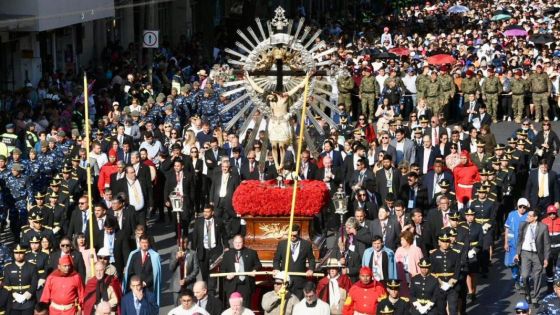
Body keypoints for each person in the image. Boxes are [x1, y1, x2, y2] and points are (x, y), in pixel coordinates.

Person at [515, 208, 551, 306]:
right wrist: (517, 253)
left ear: (535, 217)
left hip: (537, 254)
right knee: (525, 275)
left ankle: (535, 296)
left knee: (537, 276)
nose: (527, 217)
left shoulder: (543, 227)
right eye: (528, 215)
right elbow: (519, 240)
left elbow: (547, 244)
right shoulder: (523, 225)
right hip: (525, 253)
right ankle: (527, 292)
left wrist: (546, 258)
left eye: (530, 216)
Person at [273, 224, 316, 299]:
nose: (292, 237)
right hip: (285, 280)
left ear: (299, 234)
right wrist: (276, 268)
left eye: (294, 235)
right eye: (290, 235)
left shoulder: (306, 244)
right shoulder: (282, 244)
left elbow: (311, 259)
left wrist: (311, 269)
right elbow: (276, 259)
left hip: (299, 281)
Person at [222, 235, 262, 307]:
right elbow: (222, 269)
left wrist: (254, 270)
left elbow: (258, 264)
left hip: (246, 284)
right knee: (232, 307)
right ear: (233, 243)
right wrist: (226, 276)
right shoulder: (227, 254)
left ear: (243, 242)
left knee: (245, 307)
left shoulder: (251, 253)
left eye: (240, 242)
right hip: (232, 284)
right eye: (236, 242)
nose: (237, 244)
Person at [123, 234, 162, 305]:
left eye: (146, 243)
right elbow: (130, 271)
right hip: (135, 288)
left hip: (148, 288)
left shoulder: (155, 256)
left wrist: (145, 282)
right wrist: (135, 282)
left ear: (149, 243)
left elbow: (155, 273)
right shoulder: (134, 255)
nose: (144, 245)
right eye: (142, 243)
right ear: (139, 243)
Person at [4, 244, 38, 314]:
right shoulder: (8, 268)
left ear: (24, 253)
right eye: (16, 253)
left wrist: (27, 294)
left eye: (21, 253)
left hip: (28, 302)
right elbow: (6, 285)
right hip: (13, 302)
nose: (18, 255)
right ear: (13, 254)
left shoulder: (32, 267)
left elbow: (34, 283)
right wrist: (14, 294)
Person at [504, 198, 530, 290]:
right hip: (512, 245)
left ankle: (523, 280)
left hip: (524, 246)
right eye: (520, 206)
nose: (522, 208)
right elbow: (507, 229)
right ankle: (516, 279)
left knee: (524, 264)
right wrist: (506, 242)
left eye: (524, 207)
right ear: (517, 206)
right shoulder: (511, 214)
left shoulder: (528, 216)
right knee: (512, 264)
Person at [170, 237, 199, 304]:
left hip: (189, 285)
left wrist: (186, 279)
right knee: (177, 308)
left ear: (188, 243)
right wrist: (176, 258)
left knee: (189, 305)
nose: (182, 245)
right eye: (180, 243)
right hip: (177, 286)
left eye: (184, 243)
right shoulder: (174, 252)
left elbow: (196, 270)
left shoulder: (193, 254)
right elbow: (171, 268)